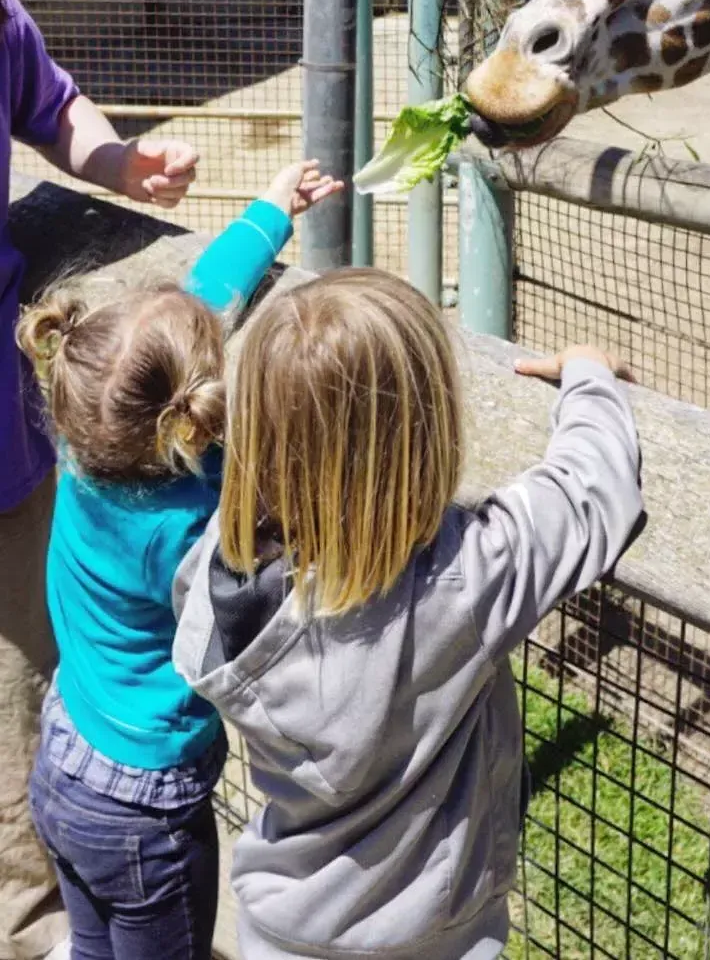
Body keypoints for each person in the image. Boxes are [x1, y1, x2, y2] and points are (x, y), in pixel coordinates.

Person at [172, 268, 645, 960]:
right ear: (423, 433)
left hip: (279, 927)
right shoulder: (465, 578)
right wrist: (589, 374)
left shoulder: (218, 568)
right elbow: (593, 490)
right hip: (430, 938)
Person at [19, 158, 342, 960]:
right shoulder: (196, 525)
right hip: (145, 806)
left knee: (92, 948)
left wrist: (270, 210)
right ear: (190, 411)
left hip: (63, 754)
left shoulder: (81, 437)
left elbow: (205, 294)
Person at [0, 0, 200, 960]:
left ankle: (37, 935)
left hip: (3, 445)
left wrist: (126, 158)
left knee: (23, 689)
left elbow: (54, 102)